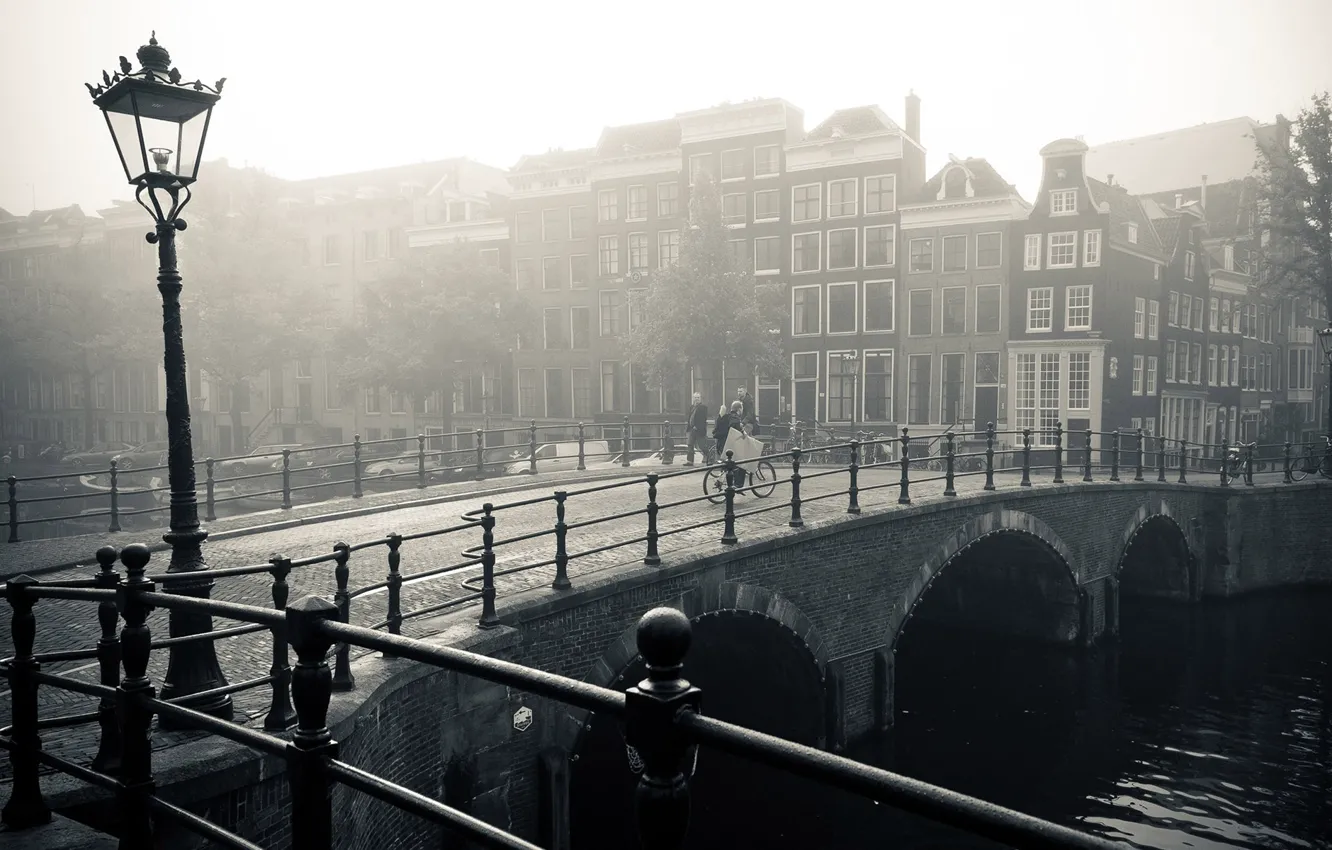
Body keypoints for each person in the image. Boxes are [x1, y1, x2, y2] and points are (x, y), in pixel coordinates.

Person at [712, 401, 747, 492]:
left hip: (720, 445)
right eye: (741, 409)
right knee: (742, 463)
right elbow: (733, 428)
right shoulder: (735, 417)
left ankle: (719, 482)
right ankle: (737, 485)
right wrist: (742, 431)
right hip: (728, 447)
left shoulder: (726, 416)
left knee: (727, 466)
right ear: (739, 409)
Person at [684, 393, 710, 466]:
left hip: (699, 430)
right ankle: (690, 461)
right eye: (695, 397)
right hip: (691, 429)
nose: (697, 399)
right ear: (693, 398)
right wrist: (688, 427)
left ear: (700, 398)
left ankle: (709, 457)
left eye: (698, 398)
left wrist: (697, 426)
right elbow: (690, 417)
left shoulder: (703, 407)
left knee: (702, 445)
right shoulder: (691, 407)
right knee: (690, 445)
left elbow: (703, 419)